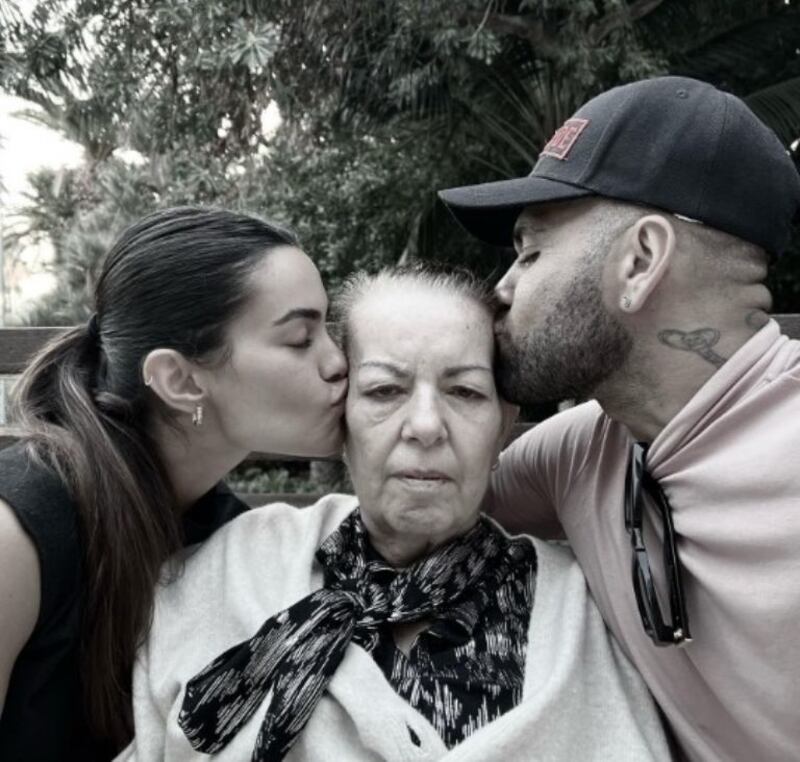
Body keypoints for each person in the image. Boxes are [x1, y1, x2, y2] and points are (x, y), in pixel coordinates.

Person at [117, 266, 671, 762]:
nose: (426, 426)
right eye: (384, 390)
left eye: (465, 392)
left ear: (503, 425)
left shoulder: (579, 610)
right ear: (343, 417)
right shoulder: (232, 568)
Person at [437, 76, 800, 761]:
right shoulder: (577, 453)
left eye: (530, 252)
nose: (500, 290)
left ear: (640, 261)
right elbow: (420, 518)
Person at [0, 206, 347, 759]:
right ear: (179, 380)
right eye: (301, 338)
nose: (339, 362)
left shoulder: (227, 538)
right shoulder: (19, 529)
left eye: (328, 328)